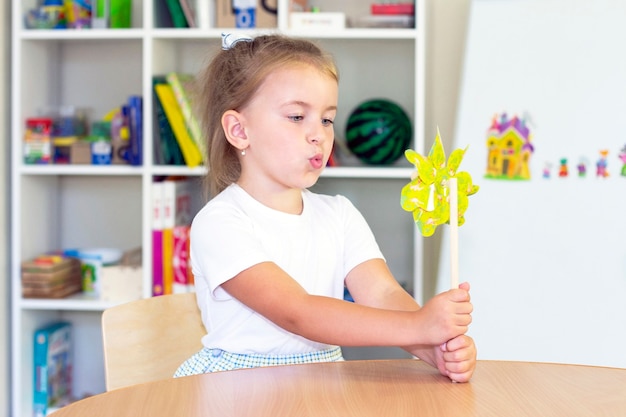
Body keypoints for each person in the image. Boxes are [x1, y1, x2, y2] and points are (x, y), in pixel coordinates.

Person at [174, 33, 476, 382]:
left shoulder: (339, 214)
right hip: (240, 388)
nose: (318, 134)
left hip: (323, 383)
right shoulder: (219, 223)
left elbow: (382, 293)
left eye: (327, 119)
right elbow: (299, 313)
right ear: (239, 130)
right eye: (297, 117)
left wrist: (434, 347)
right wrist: (418, 325)